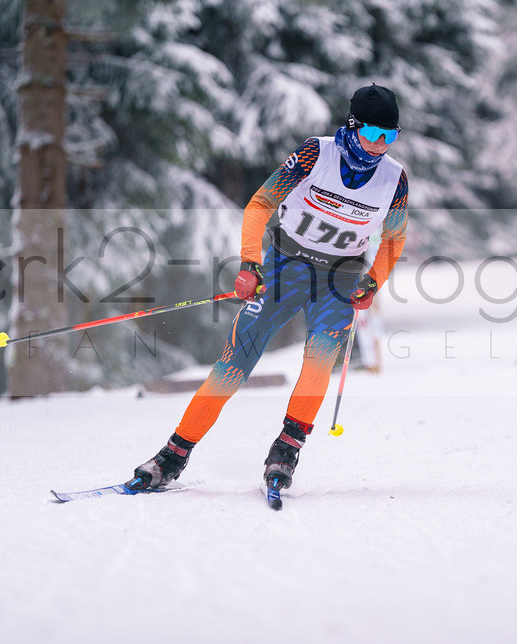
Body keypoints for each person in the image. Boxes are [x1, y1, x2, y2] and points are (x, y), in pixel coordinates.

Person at [127, 84, 409, 491]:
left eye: (390, 135)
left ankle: (286, 451)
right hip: (285, 266)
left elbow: (394, 239)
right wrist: (250, 263)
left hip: (340, 278)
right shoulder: (316, 153)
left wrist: (373, 281)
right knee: (235, 362)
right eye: (372, 133)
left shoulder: (394, 179)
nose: (380, 145)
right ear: (353, 125)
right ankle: (173, 454)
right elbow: (261, 204)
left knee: (319, 361)